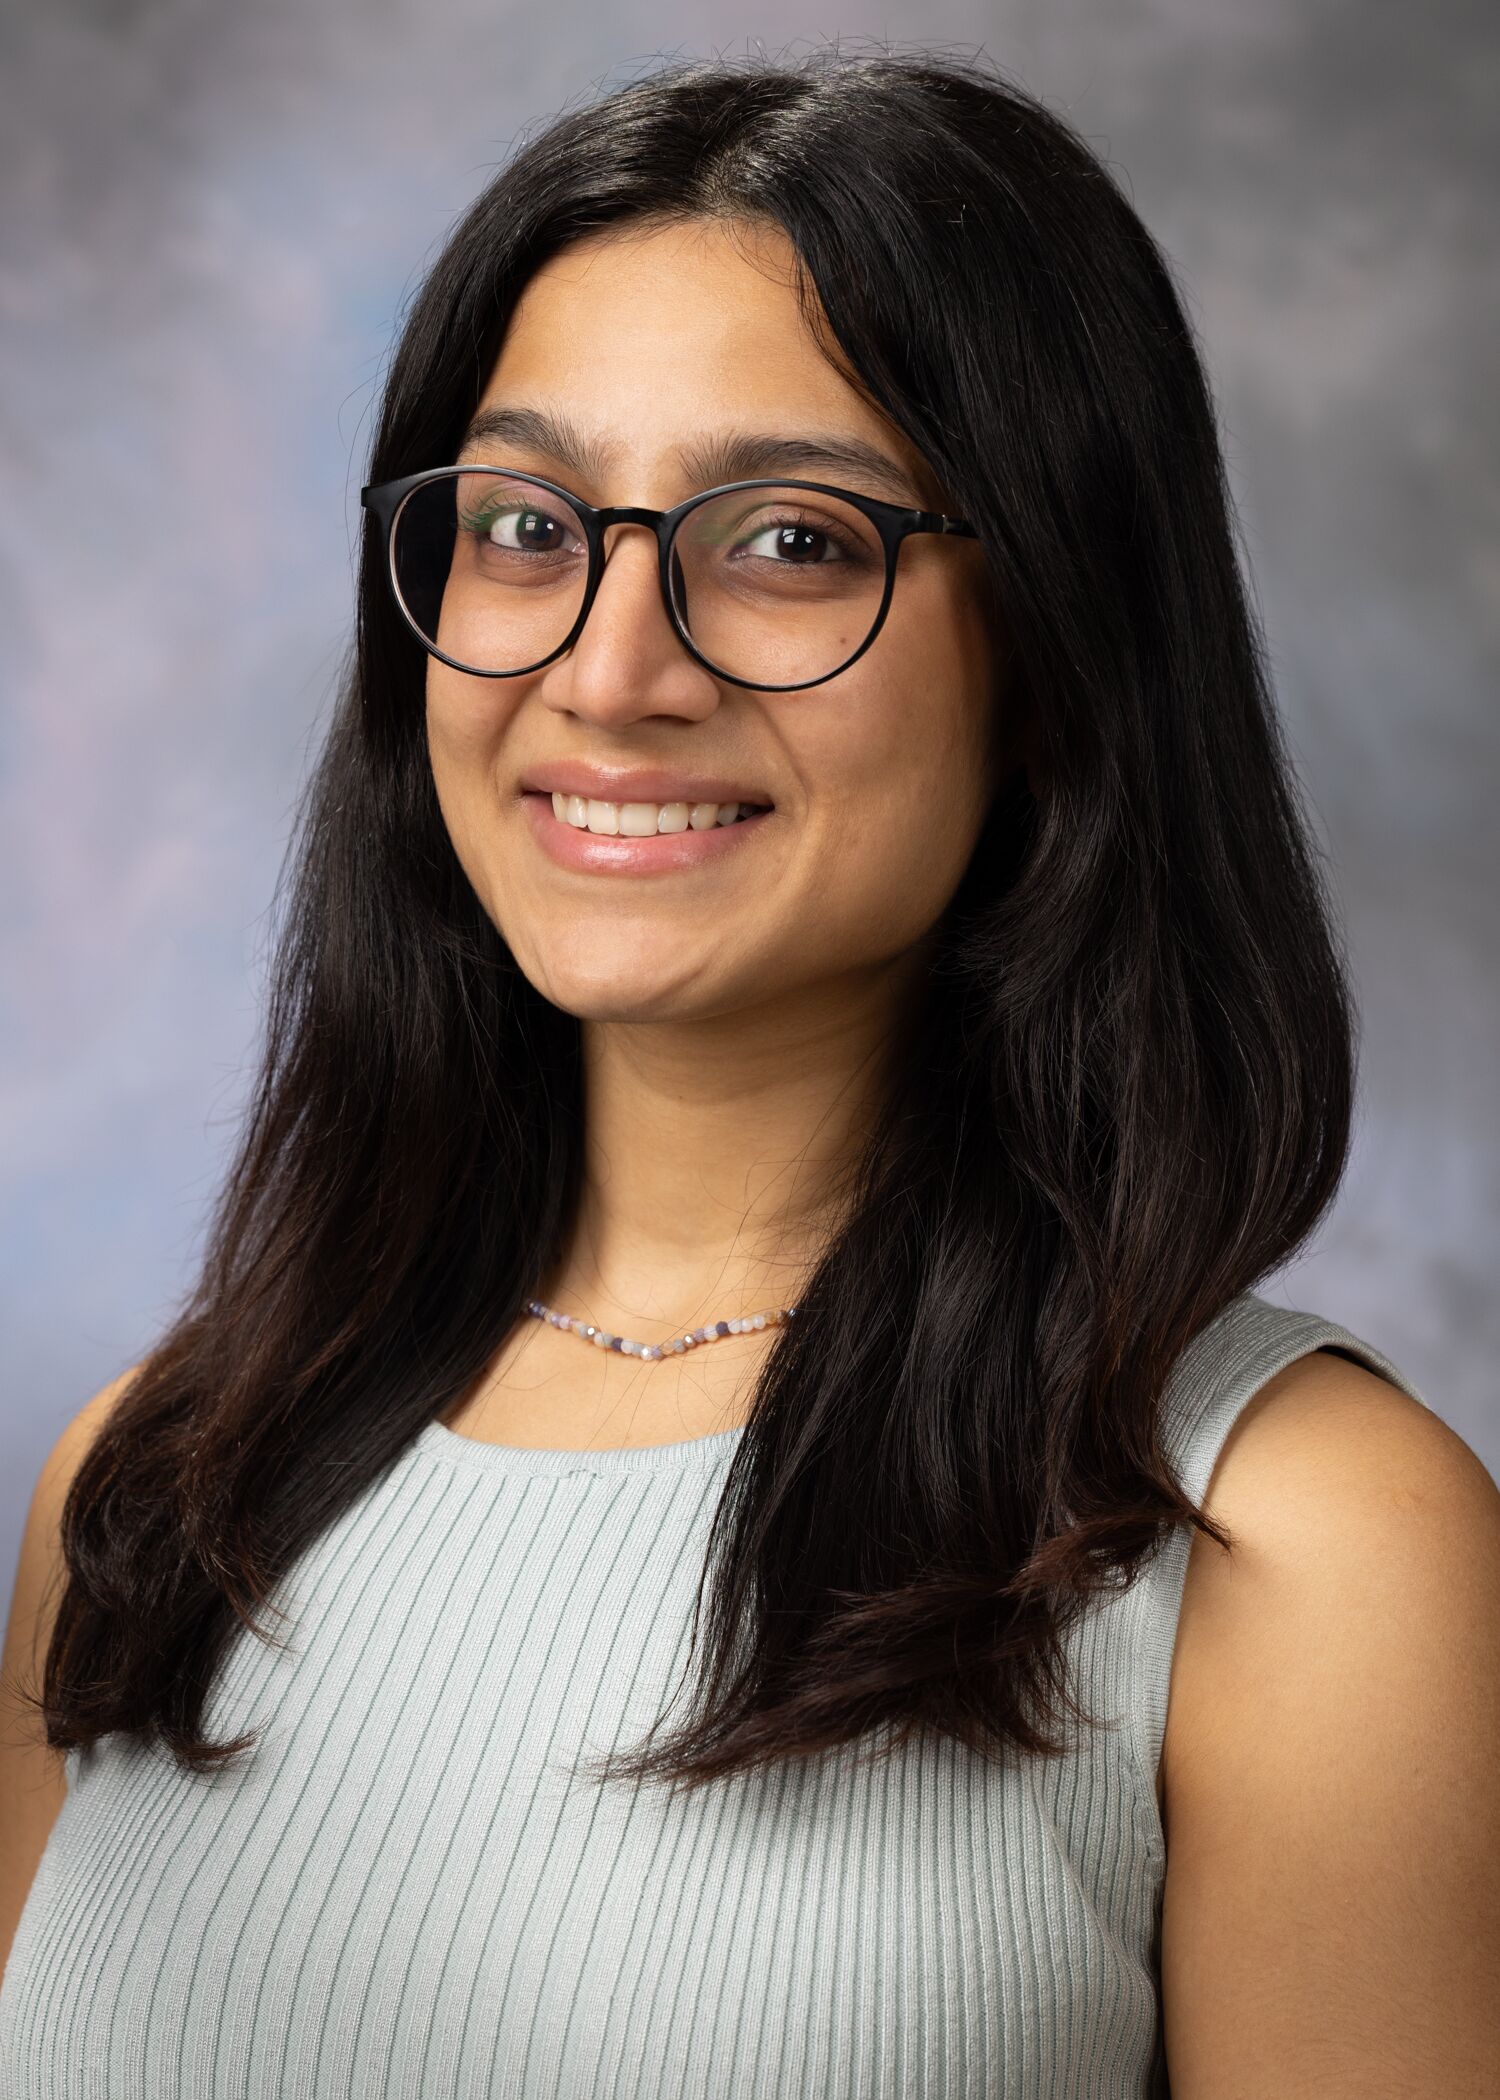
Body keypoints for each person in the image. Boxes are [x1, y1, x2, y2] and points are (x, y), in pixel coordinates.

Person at [2, 45, 1496, 2100]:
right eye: (526, 525)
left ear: (1061, 649)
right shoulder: (152, 1489)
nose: (610, 669)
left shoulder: (1295, 1546)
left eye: (787, 542)